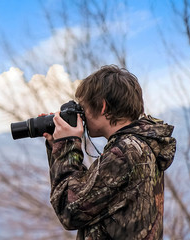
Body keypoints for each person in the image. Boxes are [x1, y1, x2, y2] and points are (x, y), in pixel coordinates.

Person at [43, 65, 176, 239]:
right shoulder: (139, 145)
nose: (80, 116)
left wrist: (67, 144)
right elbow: (86, 193)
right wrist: (57, 146)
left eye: (82, 109)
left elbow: (70, 210)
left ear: (103, 106)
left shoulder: (125, 151)